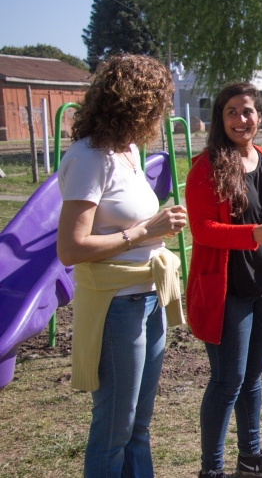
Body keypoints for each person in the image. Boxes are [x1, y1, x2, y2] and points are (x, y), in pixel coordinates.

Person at [56, 54, 188, 477]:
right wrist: (144, 231)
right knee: (115, 427)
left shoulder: (129, 150)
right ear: (133, 103)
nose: (161, 113)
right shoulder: (89, 158)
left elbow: (131, 220)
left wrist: (158, 226)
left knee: (139, 426)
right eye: (157, 104)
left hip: (149, 298)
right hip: (117, 306)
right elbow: (71, 248)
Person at [185, 82, 262, 478]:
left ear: (260, 116)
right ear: (221, 119)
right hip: (228, 290)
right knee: (227, 382)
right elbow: (202, 229)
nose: (242, 119)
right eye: (232, 112)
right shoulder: (207, 167)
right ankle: (212, 470)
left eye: (248, 111)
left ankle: (250, 457)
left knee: (252, 376)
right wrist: (251, 234)